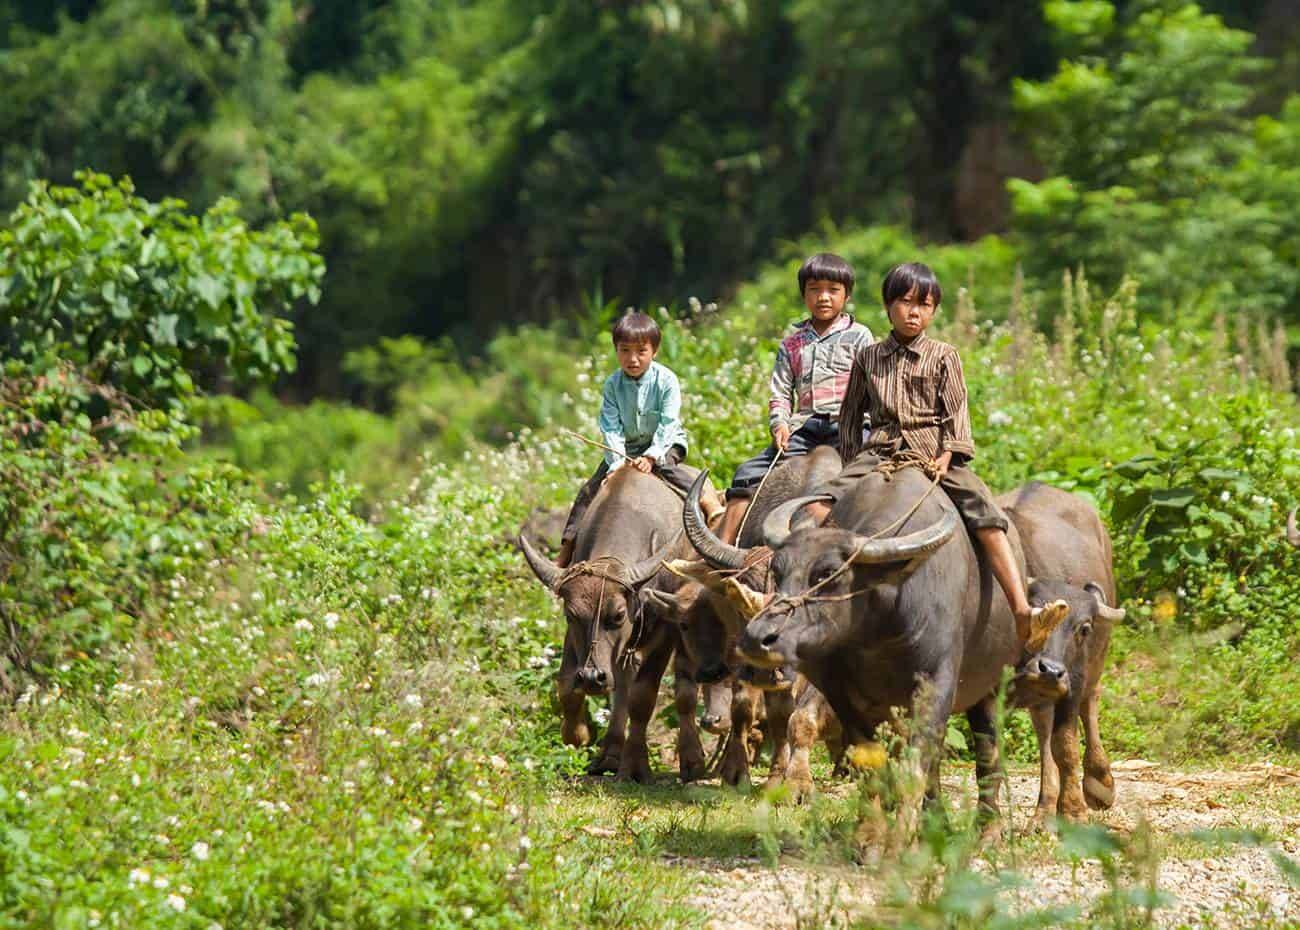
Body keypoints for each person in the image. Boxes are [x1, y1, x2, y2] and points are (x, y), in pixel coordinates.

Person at [803, 262, 1068, 645]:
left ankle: (1021, 609)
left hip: (932, 450)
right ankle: (813, 601)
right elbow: (849, 417)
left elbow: (957, 412)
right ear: (887, 306)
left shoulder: (945, 355)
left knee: (986, 515)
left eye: (924, 305)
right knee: (818, 505)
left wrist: (949, 454)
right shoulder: (868, 357)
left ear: (934, 311)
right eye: (906, 302)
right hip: (879, 451)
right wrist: (851, 465)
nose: (914, 312)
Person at [715, 253, 873, 545]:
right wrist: (780, 424)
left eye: (832, 290)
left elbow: (872, 387)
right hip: (805, 428)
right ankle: (721, 548)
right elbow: (781, 390)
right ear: (804, 294)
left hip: (848, 425)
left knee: (876, 469)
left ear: (847, 295)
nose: (823, 297)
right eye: (814, 289)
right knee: (745, 475)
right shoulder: (792, 342)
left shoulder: (860, 337)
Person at [556, 311, 720, 568]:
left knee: (669, 471)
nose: (632, 359)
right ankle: (567, 546)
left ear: (654, 351)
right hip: (626, 449)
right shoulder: (612, 385)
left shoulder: (666, 381)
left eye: (641, 351)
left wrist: (652, 456)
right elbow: (610, 426)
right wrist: (618, 463)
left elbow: (668, 422)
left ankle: (710, 505)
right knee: (590, 489)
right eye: (624, 351)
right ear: (616, 351)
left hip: (665, 444)